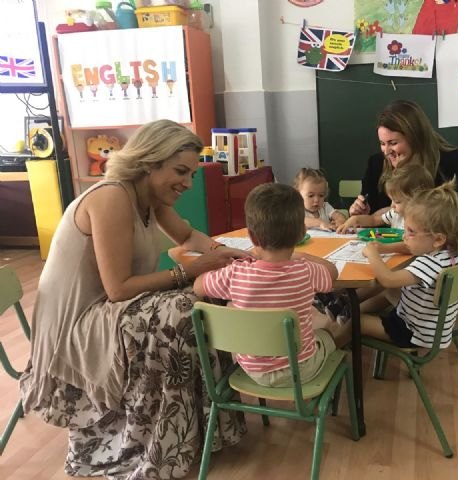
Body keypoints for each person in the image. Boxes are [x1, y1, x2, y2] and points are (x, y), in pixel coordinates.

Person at [19, 119, 249, 479]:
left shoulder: (148, 197)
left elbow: (188, 236)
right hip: (79, 322)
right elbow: (118, 289)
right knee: (187, 305)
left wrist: (229, 253)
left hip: (108, 310)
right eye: (180, 172)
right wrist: (191, 271)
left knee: (205, 293)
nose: (188, 183)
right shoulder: (112, 196)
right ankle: (159, 441)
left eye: (190, 173)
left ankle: (195, 431)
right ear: (150, 161)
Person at [194, 183, 351, 387]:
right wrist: (299, 255)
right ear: (301, 233)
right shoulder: (305, 270)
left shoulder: (234, 274)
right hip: (301, 368)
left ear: (251, 236)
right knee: (335, 330)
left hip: (252, 370)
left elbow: (198, 286)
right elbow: (332, 272)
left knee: (234, 306)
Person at [359, 180, 458, 349]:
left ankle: (333, 342)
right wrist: (384, 248)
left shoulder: (428, 263)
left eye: (411, 231)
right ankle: (350, 306)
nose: (405, 236)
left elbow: (388, 279)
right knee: (388, 291)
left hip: (413, 332)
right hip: (432, 325)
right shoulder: (449, 255)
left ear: (438, 239)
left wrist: (372, 253)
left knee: (355, 322)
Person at [349, 100, 458, 216]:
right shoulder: (376, 163)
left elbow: (447, 215)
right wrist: (362, 212)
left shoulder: (449, 161)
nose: (387, 152)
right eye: (382, 144)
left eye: (393, 143)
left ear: (414, 138)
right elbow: (369, 208)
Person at [336, 164, 434, 238]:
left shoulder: (423, 222)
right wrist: (355, 219)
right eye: (392, 200)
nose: (392, 205)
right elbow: (374, 220)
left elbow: (410, 246)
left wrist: (385, 248)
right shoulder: (395, 213)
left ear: (418, 200)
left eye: (397, 201)